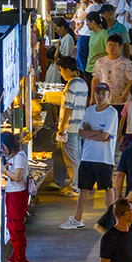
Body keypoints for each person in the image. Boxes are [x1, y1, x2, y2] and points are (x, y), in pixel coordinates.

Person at [62, 84, 119, 230]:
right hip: (87, 156)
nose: (100, 97)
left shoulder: (112, 113)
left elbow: (105, 135)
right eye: (98, 94)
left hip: (104, 158)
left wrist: (93, 132)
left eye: (103, 94)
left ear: (108, 95)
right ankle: (78, 218)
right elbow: (81, 133)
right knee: (83, 189)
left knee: (108, 188)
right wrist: (97, 132)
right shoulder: (89, 110)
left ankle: (111, 219)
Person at [56, 58, 89, 196]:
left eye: (61, 71)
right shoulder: (83, 83)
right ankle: (77, 184)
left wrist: (62, 127)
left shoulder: (71, 85)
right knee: (77, 156)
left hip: (70, 127)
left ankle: (75, 186)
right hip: (79, 126)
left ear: (68, 70)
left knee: (72, 158)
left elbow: (68, 108)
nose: (61, 74)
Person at [0, 132, 32, 262]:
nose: (2, 150)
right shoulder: (13, 156)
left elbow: (17, 177)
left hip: (17, 195)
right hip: (12, 194)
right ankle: (15, 258)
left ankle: (21, 260)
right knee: (12, 227)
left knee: (16, 228)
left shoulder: (19, 157)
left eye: (3, 146)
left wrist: (5, 170)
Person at [93, 34, 132, 108]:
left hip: (121, 101)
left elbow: (131, 80)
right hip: (104, 100)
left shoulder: (125, 62)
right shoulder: (100, 62)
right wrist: (93, 97)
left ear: (120, 47)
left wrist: (126, 94)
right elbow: (95, 79)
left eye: (114, 45)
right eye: (109, 45)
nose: (111, 48)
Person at [86, 12, 110, 80]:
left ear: (93, 22)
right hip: (89, 67)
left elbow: (109, 52)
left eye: (87, 22)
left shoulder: (103, 35)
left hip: (99, 69)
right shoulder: (92, 33)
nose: (86, 24)